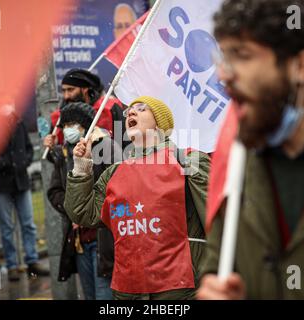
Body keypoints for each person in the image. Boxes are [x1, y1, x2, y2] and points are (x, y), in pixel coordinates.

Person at [198, 0, 304, 299]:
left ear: (301, 66)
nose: (224, 76)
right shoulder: (236, 167)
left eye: (242, 55)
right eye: (224, 57)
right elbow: (219, 269)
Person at [64, 96, 211, 300]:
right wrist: (81, 166)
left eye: (142, 109)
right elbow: (83, 213)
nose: (131, 113)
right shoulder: (115, 172)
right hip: (128, 292)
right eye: (129, 111)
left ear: (159, 123)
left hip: (179, 292)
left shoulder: (187, 160)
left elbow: (217, 220)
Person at [47, 102, 120, 300]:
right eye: (66, 125)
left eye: (74, 124)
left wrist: (89, 210)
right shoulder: (64, 153)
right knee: (89, 295)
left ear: (87, 125)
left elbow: (116, 188)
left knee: (104, 294)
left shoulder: (106, 146)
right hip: (79, 240)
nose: (68, 129)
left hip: (102, 239)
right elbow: (54, 191)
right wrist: (73, 210)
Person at [0, 105, 49, 281]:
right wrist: (7, 163)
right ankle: (12, 265)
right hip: (2, 184)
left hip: (21, 182)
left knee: (28, 224)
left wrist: (24, 161)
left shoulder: (19, 123)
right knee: (7, 228)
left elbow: (29, 148)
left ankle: (32, 260)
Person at [44, 69, 127, 151]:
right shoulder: (60, 116)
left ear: (84, 89)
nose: (66, 96)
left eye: (70, 89)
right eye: (64, 90)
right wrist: (53, 147)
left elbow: (124, 142)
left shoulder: (108, 108)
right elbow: (58, 158)